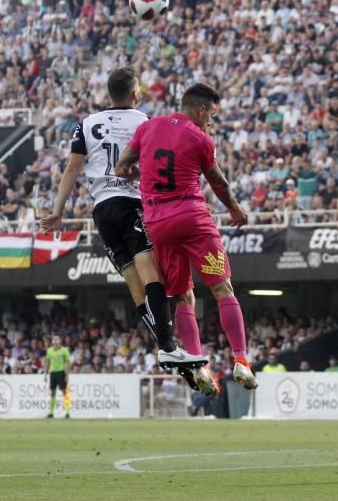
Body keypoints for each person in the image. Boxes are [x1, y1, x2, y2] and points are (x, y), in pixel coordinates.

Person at [39, 67, 210, 389]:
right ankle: (170, 348)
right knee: (153, 278)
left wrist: (58, 210)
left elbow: (73, 168)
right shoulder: (144, 122)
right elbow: (155, 166)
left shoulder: (87, 124)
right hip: (131, 204)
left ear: (108, 93)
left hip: (101, 209)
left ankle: (167, 346)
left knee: (135, 286)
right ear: (135, 94)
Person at [115, 83, 258, 391]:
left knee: (182, 296)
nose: (212, 122)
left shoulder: (148, 127)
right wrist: (234, 209)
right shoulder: (200, 138)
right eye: (212, 115)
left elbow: (122, 166)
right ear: (202, 109)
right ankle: (241, 361)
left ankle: (198, 365)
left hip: (157, 223)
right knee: (222, 288)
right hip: (192, 218)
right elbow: (218, 183)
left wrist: (145, 176)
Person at [43, 335, 72, 419]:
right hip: (53, 373)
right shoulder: (49, 351)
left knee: (64, 392)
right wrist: (45, 373)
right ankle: (51, 413)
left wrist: (67, 374)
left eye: (57, 339)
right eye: (54, 339)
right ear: (52, 342)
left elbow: (68, 362)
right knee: (52, 392)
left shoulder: (64, 350)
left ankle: (67, 412)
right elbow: (47, 362)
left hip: (61, 372)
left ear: (60, 341)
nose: (55, 341)